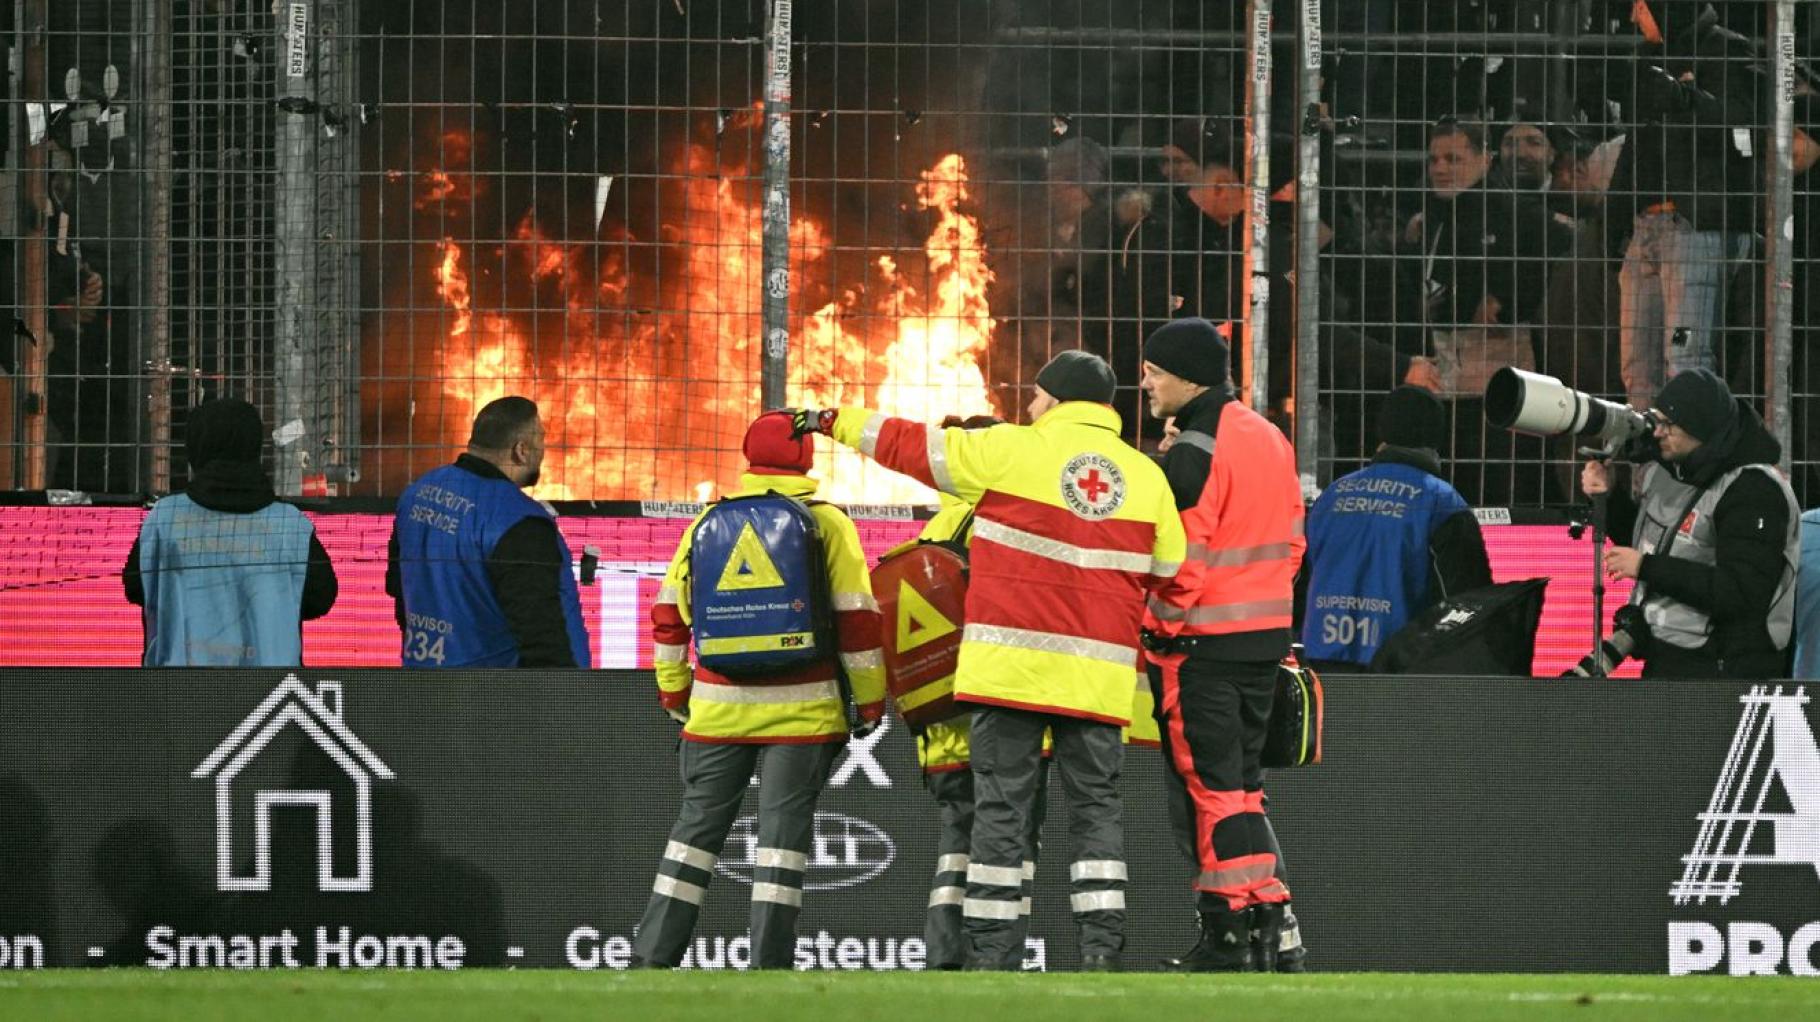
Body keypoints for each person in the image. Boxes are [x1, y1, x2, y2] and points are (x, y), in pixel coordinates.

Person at [793, 349, 1190, 972]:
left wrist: (828, 418)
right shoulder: (1146, 478)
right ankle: (1101, 956)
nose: (1030, 408)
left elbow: (905, 444)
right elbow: (1169, 572)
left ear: (1054, 399)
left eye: (1035, 397)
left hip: (1009, 677)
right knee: (1097, 822)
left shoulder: (1009, 450)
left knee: (1001, 815)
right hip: (1099, 682)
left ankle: (992, 960)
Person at [630, 411, 887, 969]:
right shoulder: (827, 524)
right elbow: (858, 623)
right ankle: (768, 968)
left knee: (692, 836)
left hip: (716, 711)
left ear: (748, 458)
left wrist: (675, 693)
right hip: (804, 716)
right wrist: (870, 701)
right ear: (806, 460)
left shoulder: (705, 523)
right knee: (781, 846)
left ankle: (652, 958)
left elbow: (669, 616)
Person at [1135, 318, 1305, 972]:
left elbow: (1183, 558)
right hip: (1262, 644)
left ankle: (1226, 935)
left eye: (1153, 369)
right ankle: (1264, 919)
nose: (1145, 380)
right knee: (1242, 790)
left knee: (1212, 792)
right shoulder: (1267, 435)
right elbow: (1291, 545)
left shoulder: (1195, 448)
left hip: (1200, 649)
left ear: (1186, 376)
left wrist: (1159, 626)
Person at [1580, 369, 1800, 679]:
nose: (1658, 433)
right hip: (1668, 657)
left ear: (1702, 428)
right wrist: (1610, 497)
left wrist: (1647, 567)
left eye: (1670, 426)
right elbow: (1648, 541)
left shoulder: (1754, 490)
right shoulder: (1672, 470)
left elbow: (1740, 592)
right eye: (1657, 421)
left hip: (1727, 671)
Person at [123, 398, 337, 666]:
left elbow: (135, 588)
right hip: (269, 693)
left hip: (179, 693)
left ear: (196, 448)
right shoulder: (290, 525)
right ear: (254, 447)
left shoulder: (165, 519)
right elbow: (320, 599)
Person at [1298, 386, 1494, 673]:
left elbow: (1302, 578)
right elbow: (1469, 600)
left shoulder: (1332, 496)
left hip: (1323, 660)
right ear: (1437, 437)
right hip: (1400, 670)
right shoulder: (1441, 502)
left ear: (1383, 432)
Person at [385, 396, 590, 668]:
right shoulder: (518, 520)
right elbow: (544, 638)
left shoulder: (416, 494)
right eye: (540, 439)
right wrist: (564, 701)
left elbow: (399, 589)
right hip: (495, 699)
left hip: (424, 686)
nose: (544, 449)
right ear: (522, 451)